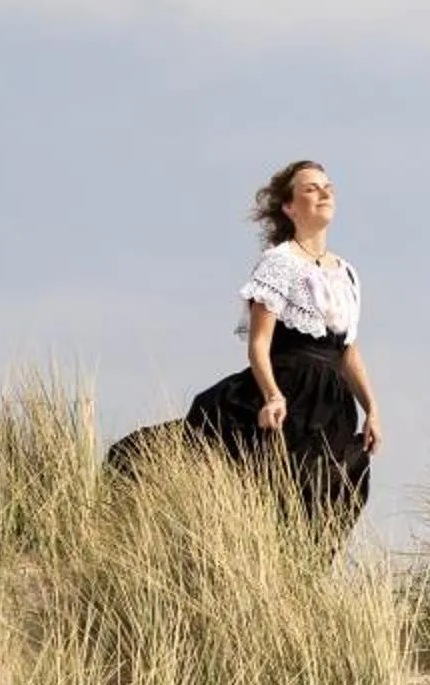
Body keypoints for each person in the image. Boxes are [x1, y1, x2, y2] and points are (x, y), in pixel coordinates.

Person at [107, 159, 381, 533]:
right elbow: (259, 343)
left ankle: (293, 576)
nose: (324, 192)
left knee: (329, 488)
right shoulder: (279, 262)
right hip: (288, 387)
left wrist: (372, 408)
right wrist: (272, 396)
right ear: (289, 207)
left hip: (332, 403)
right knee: (267, 478)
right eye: (311, 188)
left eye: (328, 186)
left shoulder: (346, 272)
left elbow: (348, 349)